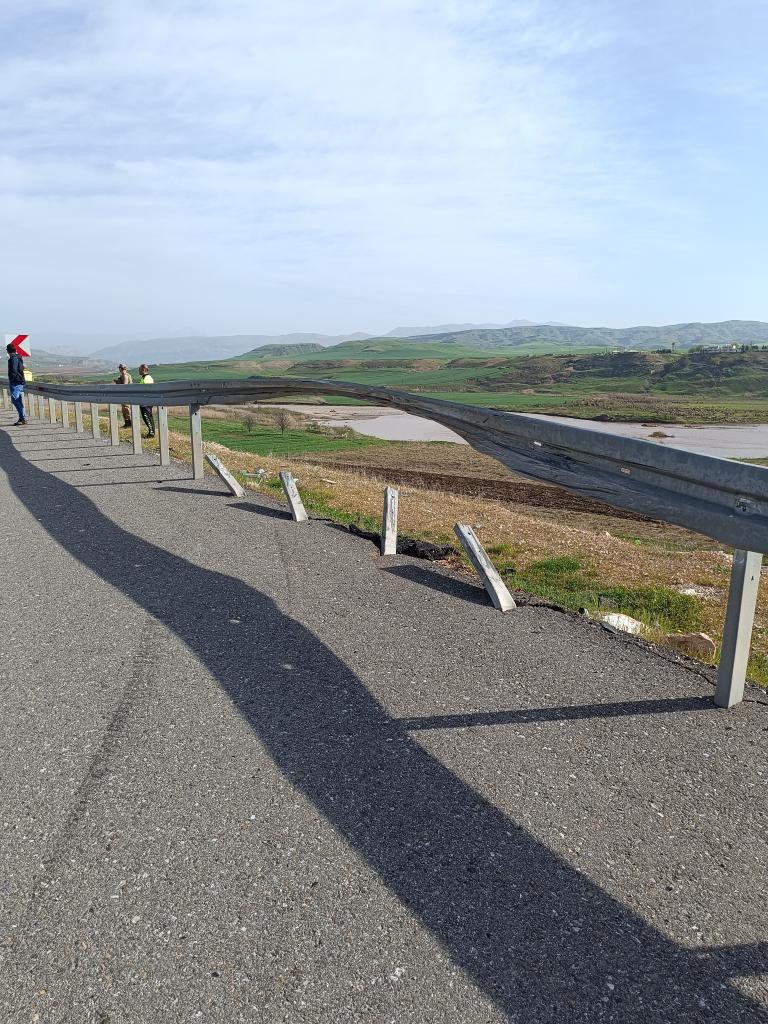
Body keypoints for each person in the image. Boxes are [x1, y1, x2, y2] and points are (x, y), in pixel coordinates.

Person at [6, 343, 27, 425]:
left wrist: (12, 378)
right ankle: (22, 418)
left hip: (16, 382)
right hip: (18, 381)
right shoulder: (18, 357)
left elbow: (14, 370)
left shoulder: (13, 358)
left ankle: (23, 417)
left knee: (14, 399)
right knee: (18, 400)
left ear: (8, 351)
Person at [138, 363, 155, 438]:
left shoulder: (147, 378)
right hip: (144, 401)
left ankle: (151, 433)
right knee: (147, 416)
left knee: (147, 416)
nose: (138, 370)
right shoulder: (144, 377)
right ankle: (151, 432)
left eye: (139, 369)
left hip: (146, 401)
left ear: (144, 369)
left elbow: (148, 390)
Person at [114, 363, 133, 427]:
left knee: (126, 408)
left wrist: (118, 382)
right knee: (124, 408)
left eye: (120, 368)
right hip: (125, 394)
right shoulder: (124, 375)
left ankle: (129, 423)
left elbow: (124, 385)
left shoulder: (125, 376)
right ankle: (127, 423)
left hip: (126, 395)